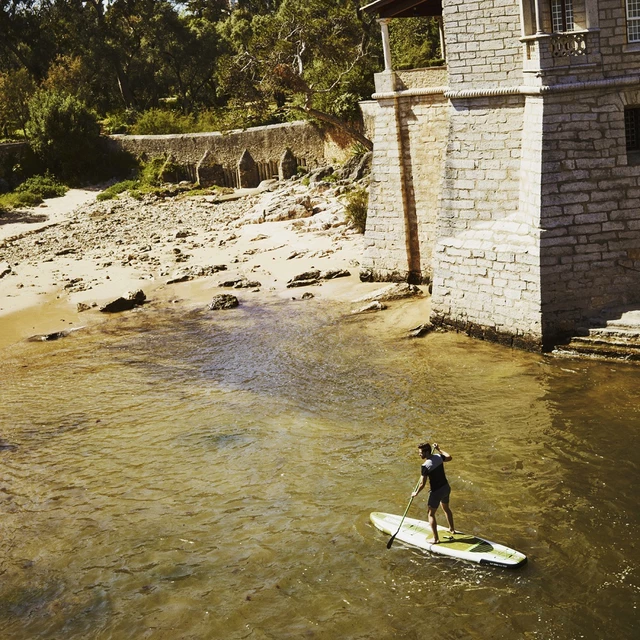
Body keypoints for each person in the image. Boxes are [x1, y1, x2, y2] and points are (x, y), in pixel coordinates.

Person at [411, 442, 455, 544]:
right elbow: (449, 457)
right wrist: (439, 449)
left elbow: (422, 483)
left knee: (430, 514)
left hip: (436, 492)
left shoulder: (425, 466)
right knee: (446, 508)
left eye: (421, 452)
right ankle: (452, 529)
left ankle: (435, 539)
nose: (419, 454)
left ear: (426, 452)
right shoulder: (439, 457)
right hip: (446, 488)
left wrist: (416, 493)